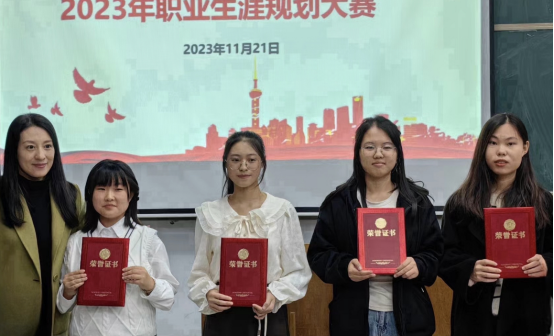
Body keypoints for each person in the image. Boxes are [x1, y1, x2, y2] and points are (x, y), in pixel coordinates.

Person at [308, 116, 444, 336]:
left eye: (387, 147)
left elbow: (436, 253)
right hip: (353, 318)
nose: (378, 154)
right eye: (370, 147)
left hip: (408, 317)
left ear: (397, 153)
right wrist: (345, 267)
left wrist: (418, 264)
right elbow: (318, 255)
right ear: (358, 153)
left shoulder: (416, 203)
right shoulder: (339, 203)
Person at [188, 131, 312, 336]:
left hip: (267, 314)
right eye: (235, 160)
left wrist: (274, 295)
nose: (243, 167)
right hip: (222, 315)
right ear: (226, 164)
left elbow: (298, 271)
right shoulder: (210, 213)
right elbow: (199, 272)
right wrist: (208, 292)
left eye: (251, 160)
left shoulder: (281, 211)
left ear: (262, 163)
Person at [439, 113, 553, 336]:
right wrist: (471, 270)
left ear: (525, 148)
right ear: (482, 148)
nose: (501, 151)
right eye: (493, 143)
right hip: (474, 319)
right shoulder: (460, 203)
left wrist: (546, 264)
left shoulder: (544, 203)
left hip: (526, 318)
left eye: (510, 143)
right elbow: (445, 255)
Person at [57, 159, 179, 336]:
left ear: (131, 195)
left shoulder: (148, 239)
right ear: (90, 194)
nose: (109, 196)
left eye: (118, 189)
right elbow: (62, 307)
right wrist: (67, 291)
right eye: (101, 189)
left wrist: (149, 283)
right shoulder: (76, 240)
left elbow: (168, 300)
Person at [0, 114, 84, 336]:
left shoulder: (71, 195)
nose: (41, 155)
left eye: (48, 146)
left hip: (57, 318)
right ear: (14, 151)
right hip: (9, 320)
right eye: (30, 147)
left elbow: (86, 244)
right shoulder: (1, 194)